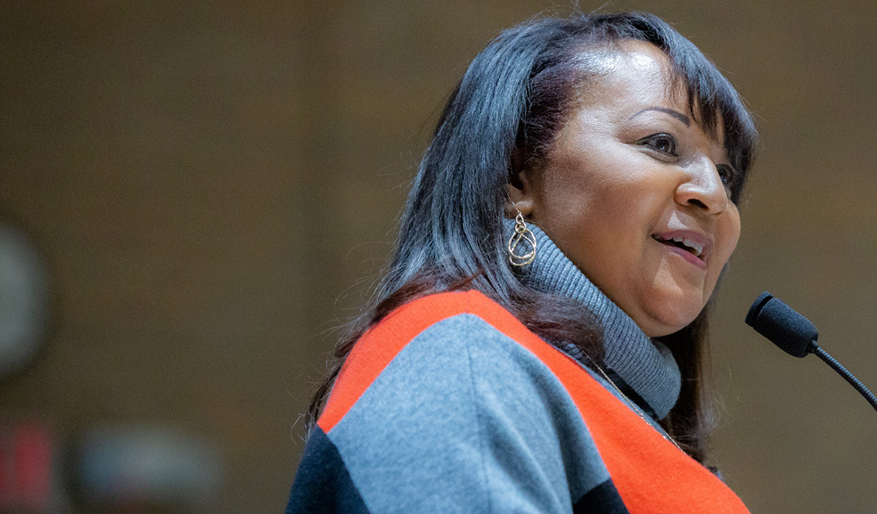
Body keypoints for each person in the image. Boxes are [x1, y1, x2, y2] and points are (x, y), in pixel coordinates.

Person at [287, 11, 756, 513]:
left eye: (726, 175)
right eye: (661, 144)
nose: (713, 195)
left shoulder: (625, 416)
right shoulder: (462, 356)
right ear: (517, 177)